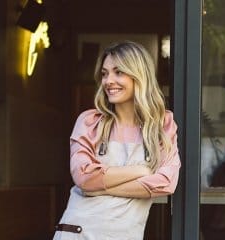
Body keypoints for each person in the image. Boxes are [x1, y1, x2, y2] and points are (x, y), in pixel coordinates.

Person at [53, 41, 181, 240]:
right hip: (80, 232)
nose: (108, 81)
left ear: (139, 75)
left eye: (118, 72)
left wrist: (98, 189)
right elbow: (84, 177)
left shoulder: (162, 126)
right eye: (104, 74)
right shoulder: (90, 122)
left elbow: (165, 183)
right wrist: (141, 171)